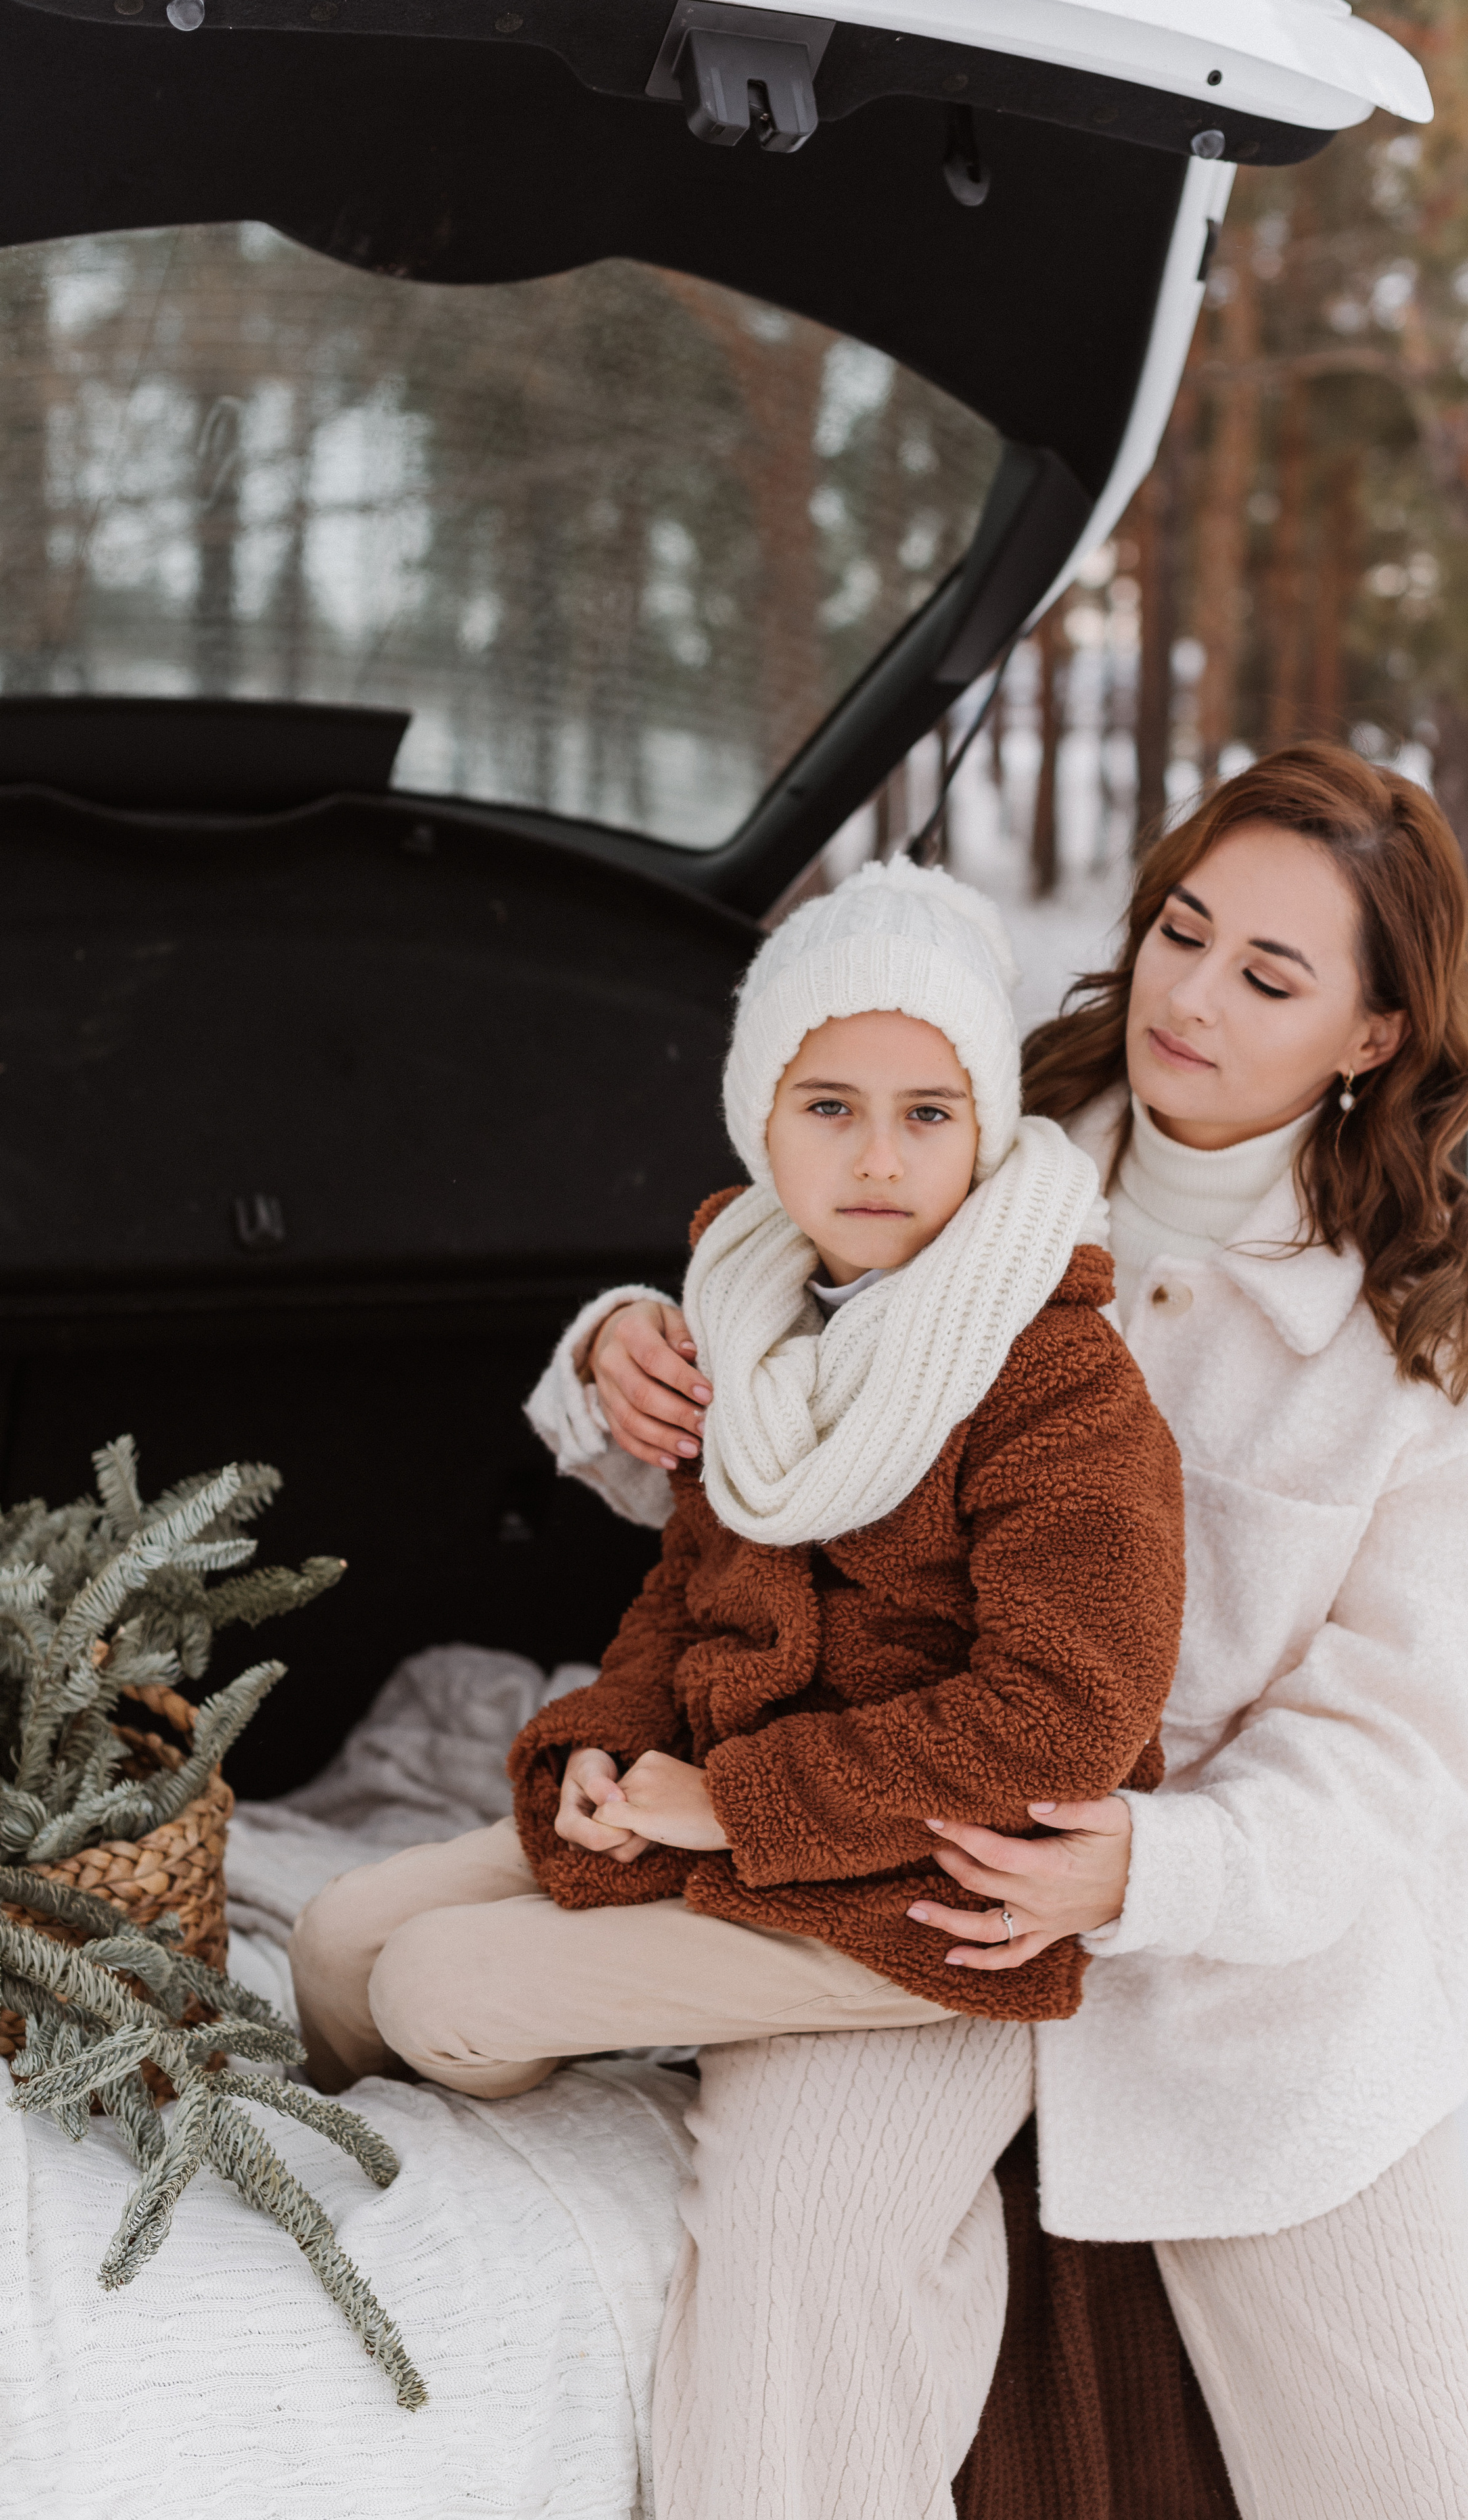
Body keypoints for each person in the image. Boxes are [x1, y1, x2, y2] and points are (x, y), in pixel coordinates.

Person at [562, 745, 1468, 2520]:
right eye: (1182, 930)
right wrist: (607, 1368)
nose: (1188, 996)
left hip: (1257, 1986)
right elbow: (761, 1442)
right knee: (795, 2300)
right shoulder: (958, 1135)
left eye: (1268, 976)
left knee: (1415, 2478)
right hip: (908, 1894)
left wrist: (1148, 1871)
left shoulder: (1440, 1364)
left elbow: (1391, 1759)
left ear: (1372, 1035)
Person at [288, 862, 1182, 2394]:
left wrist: (732, 1805)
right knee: (334, 1937)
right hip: (714, 1794)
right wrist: (615, 1742)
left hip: (927, 1891)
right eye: (827, 1106)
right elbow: (685, 1592)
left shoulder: (1054, 1379)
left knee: (440, 1986)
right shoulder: (755, 1312)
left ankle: (465, 2283)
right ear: (757, 1121)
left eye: (927, 1110)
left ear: (986, 1126)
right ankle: (326, 2210)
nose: (880, 1157)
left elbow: (1060, 1716)